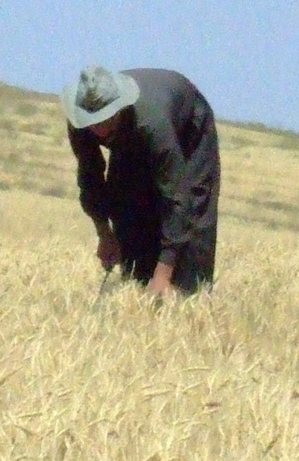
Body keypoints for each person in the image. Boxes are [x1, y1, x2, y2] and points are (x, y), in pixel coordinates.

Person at [62, 66, 220, 296]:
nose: (99, 128)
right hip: (132, 134)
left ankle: (186, 293)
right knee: (126, 204)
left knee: (192, 210)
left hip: (189, 129)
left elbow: (176, 197)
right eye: (93, 121)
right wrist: (105, 235)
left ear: (120, 108)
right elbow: (90, 179)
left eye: (105, 118)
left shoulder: (153, 125)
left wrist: (163, 273)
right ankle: (138, 287)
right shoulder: (79, 122)